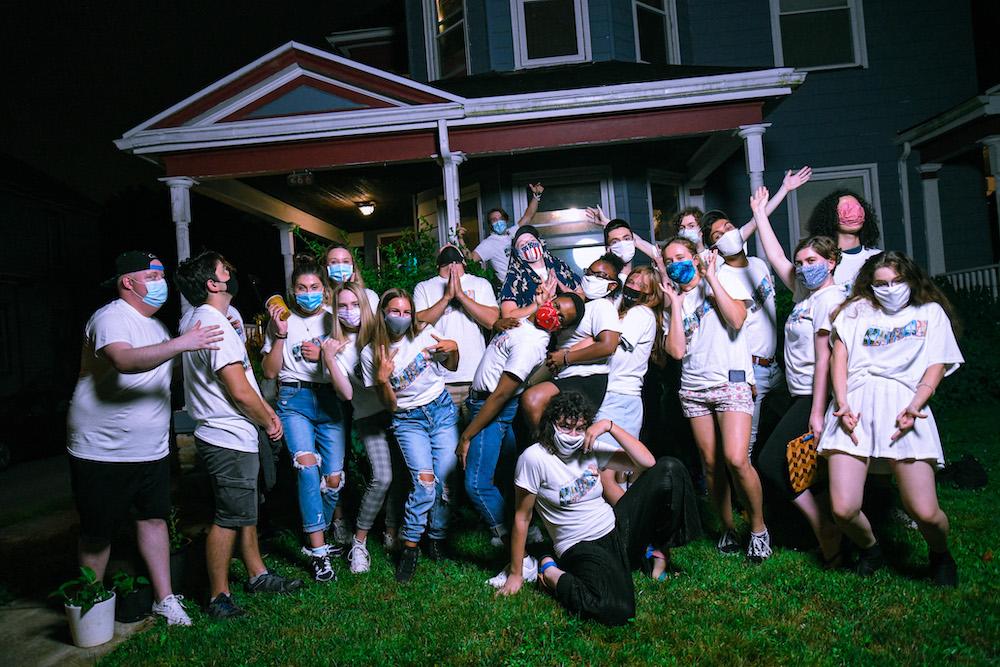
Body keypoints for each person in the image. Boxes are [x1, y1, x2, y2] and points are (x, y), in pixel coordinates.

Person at [66, 251, 221, 627]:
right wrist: (184, 343)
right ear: (127, 282)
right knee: (97, 534)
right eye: (151, 276)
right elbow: (124, 360)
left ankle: (165, 599)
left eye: (161, 275)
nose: (160, 283)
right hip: (102, 449)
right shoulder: (111, 318)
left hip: (150, 448)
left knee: (152, 520)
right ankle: (90, 606)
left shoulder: (159, 328)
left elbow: (165, 374)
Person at [819, 251, 963, 586]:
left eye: (897, 281)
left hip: (904, 405)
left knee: (924, 511)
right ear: (870, 285)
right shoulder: (857, 310)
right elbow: (838, 358)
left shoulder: (930, 313)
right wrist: (841, 402)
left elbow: (936, 363)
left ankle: (940, 553)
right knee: (843, 508)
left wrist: (917, 403)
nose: (890, 288)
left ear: (911, 280)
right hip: (854, 405)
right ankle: (871, 548)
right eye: (881, 283)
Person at [497, 392, 700, 626]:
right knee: (619, 610)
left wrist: (609, 426)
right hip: (580, 545)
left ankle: (657, 553)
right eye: (565, 427)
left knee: (670, 470)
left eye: (580, 428)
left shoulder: (589, 448)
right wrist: (515, 573)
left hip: (615, 528)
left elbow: (647, 463)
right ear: (550, 424)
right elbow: (522, 517)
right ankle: (552, 572)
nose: (573, 435)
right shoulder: (534, 458)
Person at [175, 251, 303, 619]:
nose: (230, 270)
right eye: (222, 269)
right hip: (226, 433)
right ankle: (218, 596)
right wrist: (269, 418)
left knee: (244, 510)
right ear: (213, 284)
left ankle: (257, 574)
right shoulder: (211, 323)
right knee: (229, 516)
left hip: (229, 432)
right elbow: (240, 389)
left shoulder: (202, 319)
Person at [747, 187, 846, 565]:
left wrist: (819, 410)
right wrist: (760, 213)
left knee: (773, 463)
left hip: (815, 396)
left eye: (812, 260)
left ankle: (826, 527)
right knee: (805, 465)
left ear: (832, 261)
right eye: (801, 261)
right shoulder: (806, 295)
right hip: (796, 392)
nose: (803, 267)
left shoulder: (832, 301)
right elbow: (774, 256)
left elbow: (826, 361)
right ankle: (822, 527)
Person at [661, 237, 771, 562]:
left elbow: (737, 320)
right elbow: (677, 351)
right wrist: (677, 307)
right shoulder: (674, 302)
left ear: (695, 257)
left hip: (731, 381)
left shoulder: (722, 279)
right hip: (694, 387)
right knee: (710, 463)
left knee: (736, 459)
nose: (673, 263)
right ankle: (727, 528)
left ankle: (758, 528)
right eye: (668, 260)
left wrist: (710, 278)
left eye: (680, 256)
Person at [456, 288, 585, 547]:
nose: (554, 314)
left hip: (491, 407)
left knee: (477, 484)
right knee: (509, 473)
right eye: (556, 306)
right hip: (483, 401)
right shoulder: (524, 321)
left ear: (561, 329)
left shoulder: (531, 344)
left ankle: (510, 539)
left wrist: (467, 435)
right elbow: (518, 318)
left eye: (561, 318)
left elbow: (502, 394)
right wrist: (497, 323)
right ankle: (530, 530)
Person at [261, 255, 352, 582]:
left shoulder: (335, 320)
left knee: (333, 480)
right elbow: (269, 372)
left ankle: (316, 530)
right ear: (293, 290)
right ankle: (318, 552)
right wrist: (281, 335)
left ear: (324, 290)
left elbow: (347, 369)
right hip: (294, 398)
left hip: (329, 400)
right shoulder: (282, 322)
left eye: (314, 287)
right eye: (301, 288)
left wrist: (327, 358)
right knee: (306, 466)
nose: (308, 292)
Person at [361, 288, 460, 583]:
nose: (401, 318)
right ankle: (410, 547)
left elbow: (452, 366)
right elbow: (390, 405)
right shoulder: (371, 353)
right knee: (424, 483)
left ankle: (438, 538)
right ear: (383, 313)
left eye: (407, 312)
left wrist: (454, 349)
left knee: (444, 480)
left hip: (440, 410)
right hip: (407, 420)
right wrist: (382, 378)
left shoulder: (425, 333)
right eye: (395, 311)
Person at [323, 282, 407, 573]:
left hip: (400, 411)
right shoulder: (333, 347)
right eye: (342, 306)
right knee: (382, 477)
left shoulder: (382, 334)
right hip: (369, 417)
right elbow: (346, 393)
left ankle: (391, 532)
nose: (349, 311)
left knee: (401, 477)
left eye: (355, 305)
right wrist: (329, 359)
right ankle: (358, 545)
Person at [703, 209, 781, 453]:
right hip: (751, 369)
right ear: (713, 247)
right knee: (745, 445)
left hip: (775, 366)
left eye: (728, 227)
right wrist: (746, 375)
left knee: (780, 434)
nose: (726, 233)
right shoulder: (723, 278)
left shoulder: (759, 264)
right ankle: (739, 492)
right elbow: (729, 329)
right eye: (718, 234)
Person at [519, 255, 623, 431]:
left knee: (532, 399)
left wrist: (567, 358)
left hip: (587, 378)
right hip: (564, 376)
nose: (591, 278)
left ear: (611, 285)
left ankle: (546, 451)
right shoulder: (577, 305)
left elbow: (608, 346)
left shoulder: (602, 306)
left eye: (599, 275)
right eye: (589, 272)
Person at [414, 245, 499, 408]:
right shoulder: (424, 287)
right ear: (437, 263)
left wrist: (460, 295)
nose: (449, 250)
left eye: (454, 251)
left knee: (476, 431)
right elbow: (419, 324)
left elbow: (491, 321)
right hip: (440, 380)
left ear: (464, 261)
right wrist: (447, 297)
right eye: (444, 251)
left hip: (476, 376)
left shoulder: (480, 284)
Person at [459, 183, 544, 285]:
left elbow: (528, 216)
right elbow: (470, 259)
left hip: (528, 282)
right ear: (490, 224)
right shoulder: (489, 243)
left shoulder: (512, 232)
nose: (498, 222)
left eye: (501, 219)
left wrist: (536, 196)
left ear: (506, 220)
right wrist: (460, 238)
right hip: (511, 288)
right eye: (494, 220)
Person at [804, 189, 882, 296]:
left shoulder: (880, 258)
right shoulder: (824, 264)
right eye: (846, 208)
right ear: (831, 216)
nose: (854, 213)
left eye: (857, 208)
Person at [498, 225, 581, 320]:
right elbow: (507, 315)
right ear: (518, 254)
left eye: (532, 240)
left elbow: (581, 295)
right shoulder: (514, 277)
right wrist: (538, 304)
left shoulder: (558, 265)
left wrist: (566, 290)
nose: (528, 244)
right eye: (522, 244)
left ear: (540, 243)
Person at [584, 209, 666, 281]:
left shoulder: (648, 277)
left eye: (626, 239)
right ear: (608, 249)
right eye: (615, 242)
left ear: (634, 242)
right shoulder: (607, 282)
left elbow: (656, 254)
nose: (622, 244)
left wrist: (607, 222)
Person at [324, 242, 379, 311]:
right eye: (334, 262)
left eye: (346, 261)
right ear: (326, 267)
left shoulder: (370, 296)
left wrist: (351, 291)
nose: (341, 266)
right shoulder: (320, 300)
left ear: (352, 266)